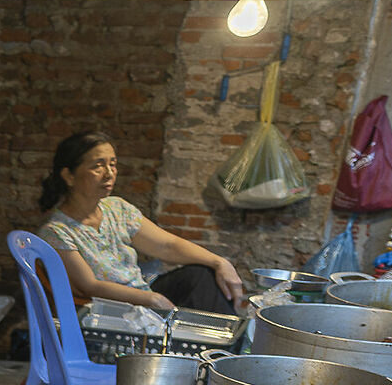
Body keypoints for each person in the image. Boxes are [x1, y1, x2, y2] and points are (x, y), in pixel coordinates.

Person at [37, 131, 248, 316]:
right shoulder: (56, 232)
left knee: (202, 275)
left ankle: (226, 353)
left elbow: (167, 246)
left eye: (113, 164)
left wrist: (220, 262)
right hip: (111, 311)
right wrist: (150, 299)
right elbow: (90, 286)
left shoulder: (117, 208)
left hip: (143, 295)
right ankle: (223, 355)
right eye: (98, 166)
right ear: (69, 176)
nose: (109, 173)